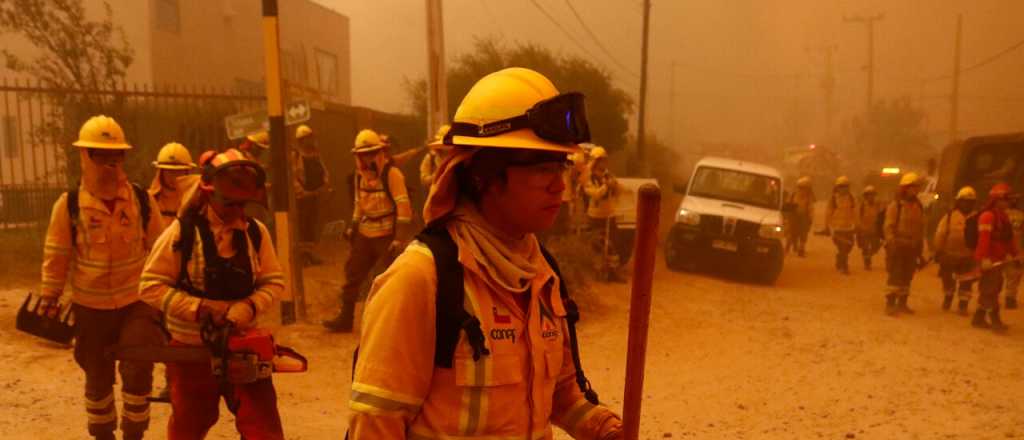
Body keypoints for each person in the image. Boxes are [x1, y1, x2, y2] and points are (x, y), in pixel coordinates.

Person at [347, 67, 623, 440]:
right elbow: (375, 427)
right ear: (483, 175)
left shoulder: (543, 274)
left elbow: (560, 395)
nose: (560, 186)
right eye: (542, 168)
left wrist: (605, 428)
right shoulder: (420, 279)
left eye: (561, 166)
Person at [138, 148, 287, 439]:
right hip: (191, 351)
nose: (237, 212)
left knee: (263, 426)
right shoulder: (181, 234)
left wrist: (249, 307)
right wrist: (200, 307)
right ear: (208, 194)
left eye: (242, 204)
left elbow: (274, 281)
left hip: (244, 349)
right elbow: (149, 286)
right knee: (187, 427)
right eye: (229, 204)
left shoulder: (256, 233)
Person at [39, 115, 166, 440]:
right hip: (90, 308)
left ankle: (134, 433)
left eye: (116, 156)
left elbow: (162, 250)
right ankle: (102, 434)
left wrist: (167, 296)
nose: (110, 164)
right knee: (97, 376)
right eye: (101, 155)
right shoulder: (68, 206)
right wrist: (49, 296)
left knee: (138, 366)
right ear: (85, 157)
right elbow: (57, 255)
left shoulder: (140, 201)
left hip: (136, 302)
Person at [322, 129, 413, 333]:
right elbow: (358, 204)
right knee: (352, 275)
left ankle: (390, 324)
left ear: (379, 153)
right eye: (362, 154)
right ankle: (345, 319)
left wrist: (398, 239)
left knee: (386, 281)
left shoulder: (392, 174)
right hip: (365, 232)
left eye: (370, 153)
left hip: (387, 235)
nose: (365, 159)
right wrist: (352, 227)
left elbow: (403, 208)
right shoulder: (358, 177)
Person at [973, 183, 1017, 331]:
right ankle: (994, 319)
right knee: (990, 289)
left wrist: (1016, 254)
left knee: (994, 287)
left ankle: (978, 318)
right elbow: (983, 239)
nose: (1008, 202)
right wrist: (984, 258)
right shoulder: (987, 216)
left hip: (999, 260)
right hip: (990, 260)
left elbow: (1009, 238)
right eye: (1005, 199)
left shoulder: (1004, 217)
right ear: (997, 200)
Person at [883, 173, 926, 316]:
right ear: (905, 189)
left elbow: (920, 228)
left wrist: (919, 247)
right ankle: (890, 303)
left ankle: (902, 303)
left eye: (916, 187)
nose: (915, 190)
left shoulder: (918, 206)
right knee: (895, 275)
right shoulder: (896, 206)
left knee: (908, 276)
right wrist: (891, 242)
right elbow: (888, 226)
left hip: (912, 246)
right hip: (897, 244)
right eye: (912, 187)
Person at [933, 186, 978, 314]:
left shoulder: (977, 217)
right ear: (959, 201)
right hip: (949, 255)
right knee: (947, 279)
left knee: (966, 281)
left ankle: (963, 305)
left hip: (968, 256)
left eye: (970, 202)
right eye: (964, 201)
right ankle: (948, 297)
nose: (967, 204)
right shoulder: (949, 216)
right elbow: (940, 234)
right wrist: (938, 250)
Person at [584, 146, 625, 283]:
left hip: (609, 215)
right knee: (598, 246)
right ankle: (599, 274)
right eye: (601, 160)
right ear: (595, 161)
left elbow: (619, 190)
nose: (603, 163)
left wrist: (614, 185)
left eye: (604, 160)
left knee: (614, 245)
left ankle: (614, 273)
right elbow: (595, 194)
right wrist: (605, 186)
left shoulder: (608, 175)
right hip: (595, 216)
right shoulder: (588, 177)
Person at [292, 124, 330, 266]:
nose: (311, 140)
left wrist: (325, 184)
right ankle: (301, 257)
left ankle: (309, 254)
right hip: (303, 198)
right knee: (302, 226)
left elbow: (324, 171)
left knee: (311, 226)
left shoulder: (315, 154)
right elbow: (293, 177)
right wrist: (302, 192)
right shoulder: (296, 155)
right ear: (302, 140)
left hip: (315, 195)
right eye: (308, 138)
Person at [149, 142, 196, 225]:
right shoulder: (148, 200)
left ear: (187, 172)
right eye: (169, 171)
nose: (173, 177)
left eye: (178, 171)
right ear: (161, 172)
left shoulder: (195, 200)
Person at [824, 176, 857, 274]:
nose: (844, 189)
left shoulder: (851, 198)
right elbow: (828, 213)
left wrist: (857, 225)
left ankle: (840, 260)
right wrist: (827, 226)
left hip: (849, 228)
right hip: (837, 229)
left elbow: (856, 212)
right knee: (843, 247)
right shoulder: (833, 199)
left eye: (846, 186)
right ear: (837, 188)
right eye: (841, 186)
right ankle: (844, 266)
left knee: (848, 247)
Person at [1002, 196, 1024, 310]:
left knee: (1009, 275)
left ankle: (998, 297)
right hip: (1015, 249)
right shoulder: (1021, 215)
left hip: (1003, 249)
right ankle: (1009, 298)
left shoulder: (1000, 214)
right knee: (1014, 275)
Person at [787, 176, 815, 257]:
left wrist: (810, 218)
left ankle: (801, 249)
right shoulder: (793, 195)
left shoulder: (809, 198)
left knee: (803, 234)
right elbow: (788, 206)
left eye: (804, 188)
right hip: (793, 217)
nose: (802, 190)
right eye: (800, 188)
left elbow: (811, 209)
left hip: (804, 217)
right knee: (792, 232)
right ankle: (789, 246)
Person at [856, 185, 883, 270]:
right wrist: (858, 229)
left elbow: (880, 217)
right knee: (865, 248)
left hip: (874, 230)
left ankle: (868, 257)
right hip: (864, 230)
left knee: (876, 247)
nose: (870, 196)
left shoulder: (878, 205)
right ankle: (867, 264)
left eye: (872, 194)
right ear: (865, 196)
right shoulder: (862, 206)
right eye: (868, 194)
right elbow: (857, 217)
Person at [419, 124, 450, 189]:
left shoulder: (457, 157)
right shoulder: (431, 157)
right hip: (435, 195)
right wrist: (436, 175)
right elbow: (423, 180)